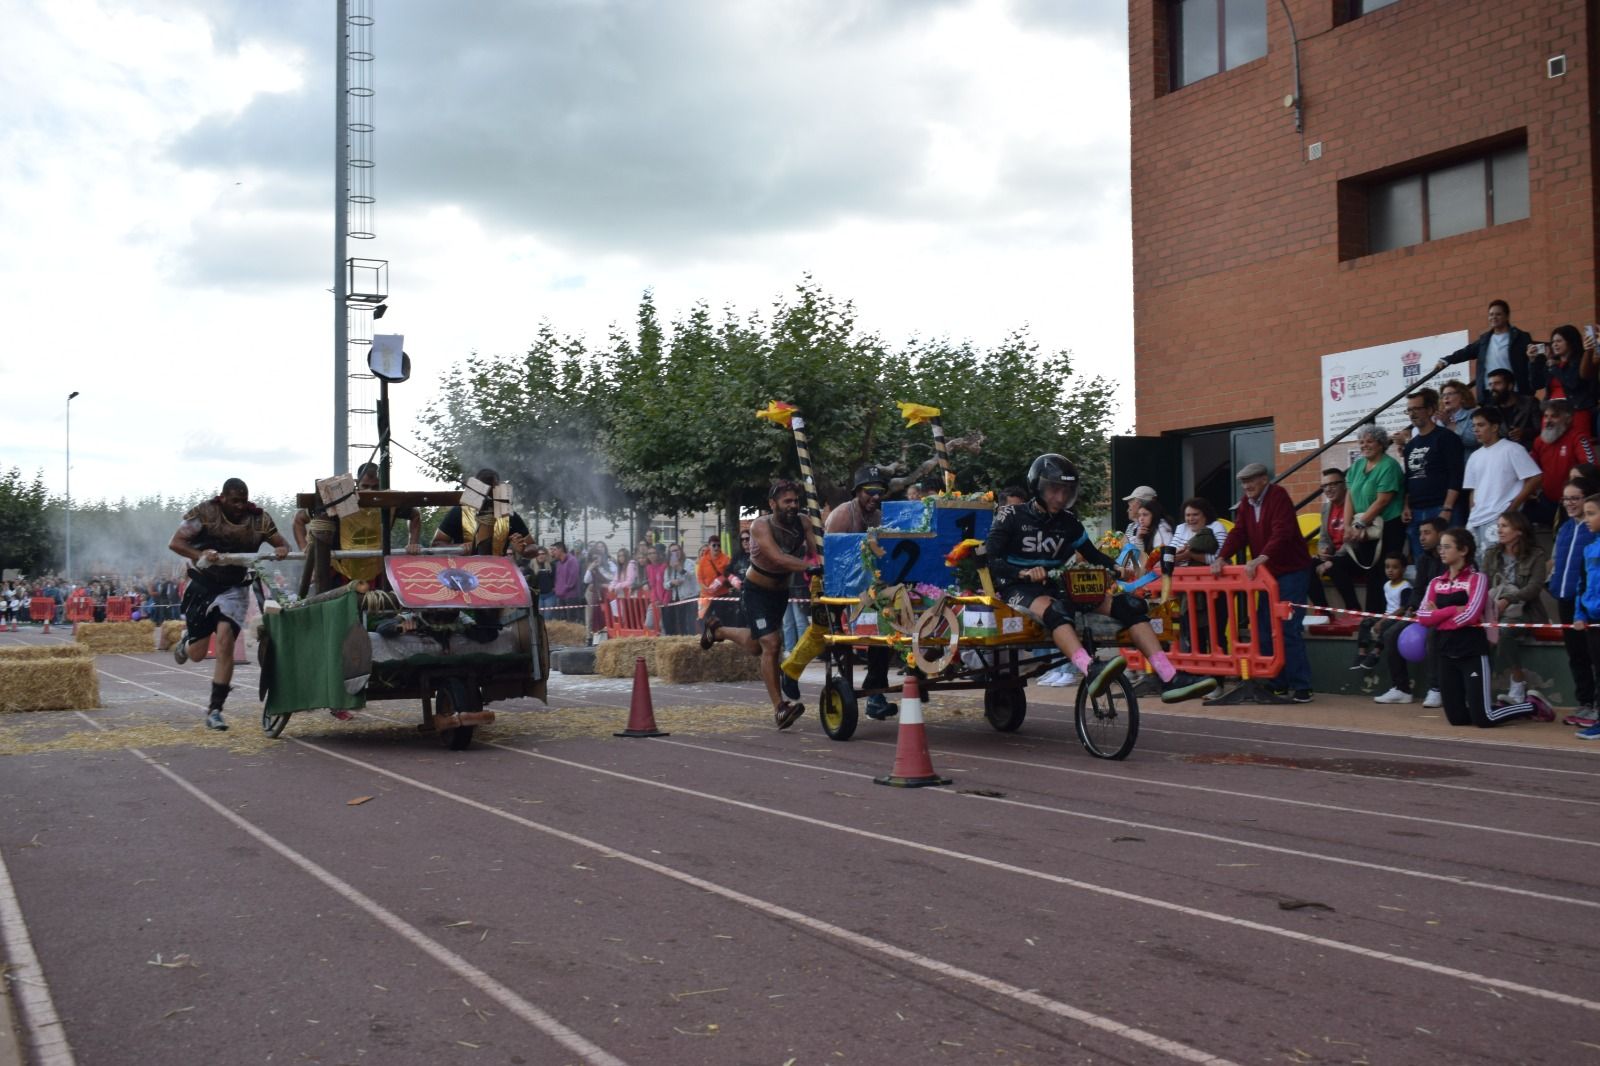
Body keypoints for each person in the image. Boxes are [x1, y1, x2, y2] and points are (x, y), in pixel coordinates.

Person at [987, 454, 1217, 703]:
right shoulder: (1010, 515)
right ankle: (1090, 669)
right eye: (1054, 490)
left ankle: (1169, 676)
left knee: (1128, 606)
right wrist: (1022, 573)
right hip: (1017, 587)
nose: (1061, 498)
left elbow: (1093, 554)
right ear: (1038, 486)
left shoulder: (1069, 522)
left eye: (1066, 491)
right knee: (1057, 611)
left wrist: (1118, 569)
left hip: (1055, 584)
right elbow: (991, 559)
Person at [168, 478, 290, 730]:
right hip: (203, 584)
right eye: (234, 501)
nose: (239, 506)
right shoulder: (204, 513)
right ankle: (187, 639)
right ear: (222, 498)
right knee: (197, 654)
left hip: (235, 587)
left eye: (243, 501)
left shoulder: (260, 519)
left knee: (225, 642)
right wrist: (199, 554)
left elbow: (282, 543)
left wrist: (281, 549)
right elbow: (176, 543)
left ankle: (215, 709)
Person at [701, 481, 817, 729]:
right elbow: (777, 557)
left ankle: (718, 631)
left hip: (781, 593)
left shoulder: (804, 522)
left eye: (796, 501)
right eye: (787, 501)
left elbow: (818, 549)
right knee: (772, 644)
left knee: (757, 647)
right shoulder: (760, 525)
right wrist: (809, 567)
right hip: (757, 592)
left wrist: (823, 559)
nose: (793, 505)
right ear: (773, 504)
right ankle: (780, 708)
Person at [1211, 462, 1315, 702]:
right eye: (1243, 482)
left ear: (1264, 479)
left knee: (1289, 628)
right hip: (1267, 575)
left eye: (1251, 481)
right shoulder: (1247, 503)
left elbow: (1283, 531)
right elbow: (1239, 532)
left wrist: (1262, 557)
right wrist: (1222, 557)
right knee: (1265, 628)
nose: (1246, 486)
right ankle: (1276, 683)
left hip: (1292, 571)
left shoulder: (1278, 496)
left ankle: (1302, 686)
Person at [1416, 527, 1536, 727]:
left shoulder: (1477, 579)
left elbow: (1471, 615)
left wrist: (1438, 616)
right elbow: (1422, 617)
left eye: (1447, 547)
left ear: (1463, 550)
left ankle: (1531, 706)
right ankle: (1497, 707)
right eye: (1440, 547)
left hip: (1472, 653)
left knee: (1484, 719)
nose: (1441, 551)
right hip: (1445, 652)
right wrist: (1453, 610)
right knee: (1457, 719)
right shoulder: (1436, 582)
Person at [825, 464, 899, 719]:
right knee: (825, 638)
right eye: (870, 491)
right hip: (841, 592)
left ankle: (875, 693)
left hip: (871, 592)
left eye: (880, 492)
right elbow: (832, 565)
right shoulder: (841, 517)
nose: (876, 497)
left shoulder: (880, 518)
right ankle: (790, 673)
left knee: (890, 626)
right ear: (857, 491)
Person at [292, 462, 422, 587]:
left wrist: (413, 542)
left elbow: (415, 515)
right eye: (365, 486)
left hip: (376, 570)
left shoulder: (388, 500)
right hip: (340, 570)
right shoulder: (340, 499)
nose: (370, 491)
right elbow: (299, 519)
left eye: (375, 487)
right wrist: (305, 549)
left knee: (381, 605)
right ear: (357, 485)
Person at [1373, 516, 1447, 706]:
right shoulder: (1423, 560)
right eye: (1420, 533)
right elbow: (1419, 589)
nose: (1421, 538)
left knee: (1432, 636)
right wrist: (1411, 608)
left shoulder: (1450, 560)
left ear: (1441, 535)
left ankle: (1436, 688)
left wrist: (1437, 611)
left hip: (1444, 613)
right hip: (1422, 613)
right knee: (1390, 634)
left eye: (1427, 533)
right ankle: (1401, 689)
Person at [1480, 510, 1548, 704]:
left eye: (1505, 526)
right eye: (1499, 526)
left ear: (1519, 531)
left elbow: (1534, 588)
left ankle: (1517, 681)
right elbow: (1483, 582)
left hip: (1526, 611)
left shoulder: (1536, 554)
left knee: (1504, 631)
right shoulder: (1492, 553)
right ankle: (1480, 687)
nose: (1499, 530)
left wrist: (1508, 599)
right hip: (1492, 610)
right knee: (1478, 636)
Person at [1550, 481, 1599, 726]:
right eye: (1565, 498)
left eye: (1575, 498)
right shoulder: (1565, 529)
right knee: (1576, 655)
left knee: (1593, 655)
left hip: (1589, 603)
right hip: (1566, 599)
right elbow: (1558, 562)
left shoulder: (1592, 530)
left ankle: (1596, 706)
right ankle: (1585, 703)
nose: (1569, 503)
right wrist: (1555, 586)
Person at [1345, 424, 1406, 613]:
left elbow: (1383, 500)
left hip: (1387, 527)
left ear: (1381, 444)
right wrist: (1348, 525)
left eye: (1369, 441)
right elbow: (1349, 495)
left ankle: (1385, 616)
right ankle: (1370, 616)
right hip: (1362, 529)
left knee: (1382, 573)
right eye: (1361, 442)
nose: (1364, 445)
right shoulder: (1357, 465)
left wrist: (1360, 524)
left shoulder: (1389, 465)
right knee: (1370, 574)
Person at [1461, 407, 1542, 547]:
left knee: (1497, 564)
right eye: (1473, 425)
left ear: (1495, 427)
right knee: (1478, 566)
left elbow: (1535, 477)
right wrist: (1472, 514)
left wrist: (1512, 508)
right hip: (1475, 520)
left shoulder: (1513, 449)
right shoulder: (1474, 456)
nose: (1476, 429)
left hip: (1499, 518)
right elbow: (1473, 490)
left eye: (1481, 425)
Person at [1400, 388, 1464, 560]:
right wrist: (1406, 505)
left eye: (1416, 409)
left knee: (1450, 559)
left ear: (1430, 410)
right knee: (1423, 564)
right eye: (1409, 410)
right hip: (1416, 511)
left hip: (1440, 508)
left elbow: (1456, 475)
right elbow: (1408, 477)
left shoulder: (1446, 438)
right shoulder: (1410, 445)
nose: (1412, 414)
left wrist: (1447, 508)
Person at [1435, 298, 1533, 401]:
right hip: (1489, 394)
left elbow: (1532, 362)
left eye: (1498, 314)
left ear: (1507, 316)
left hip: (1514, 392)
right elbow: (1465, 352)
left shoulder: (1521, 337)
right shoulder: (1484, 340)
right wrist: (1446, 360)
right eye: (1491, 314)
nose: (1494, 317)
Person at [431, 468, 532, 557]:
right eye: (484, 491)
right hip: (464, 572)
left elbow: (533, 547)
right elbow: (436, 546)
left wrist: (524, 550)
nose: (487, 497)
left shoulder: (509, 516)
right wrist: (458, 548)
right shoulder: (459, 512)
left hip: (498, 573)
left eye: (492, 492)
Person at [1529, 399, 1596, 528]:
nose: (1548, 420)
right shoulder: (1539, 441)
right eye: (1546, 416)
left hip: (1573, 503)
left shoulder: (1578, 438)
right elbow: (1531, 469)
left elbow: (1590, 468)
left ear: (1568, 419)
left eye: (1554, 416)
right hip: (1547, 501)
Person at [1532, 324, 1596, 437]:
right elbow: (1536, 384)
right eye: (1553, 342)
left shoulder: (1580, 361)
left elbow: (1573, 383)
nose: (1554, 345)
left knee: (1577, 445)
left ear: (1570, 342)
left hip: (1575, 411)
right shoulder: (1551, 363)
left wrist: (1553, 367)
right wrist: (1532, 362)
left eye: (1559, 341)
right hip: (1551, 413)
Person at [1571, 494, 1600, 738]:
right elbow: (1582, 584)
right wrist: (1580, 613)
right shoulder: (1589, 548)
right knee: (1597, 669)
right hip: (1592, 619)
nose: (1586, 519)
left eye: (1591, 514)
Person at [1352, 553, 1411, 670]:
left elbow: (1403, 608)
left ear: (1403, 569)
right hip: (1387, 615)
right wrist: (1380, 619)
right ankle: (1362, 653)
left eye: (1395, 567)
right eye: (1387, 567)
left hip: (1398, 618)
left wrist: (1382, 621)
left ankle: (1376, 653)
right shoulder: (1386, 585)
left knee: (1386, 627)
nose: (1390, 570)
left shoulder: (1406, 587)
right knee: (1366, 622)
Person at [1313, 468, 1361, 612]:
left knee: (1335, 566)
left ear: (1344, 484)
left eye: (1333, 484)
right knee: (1306, 565)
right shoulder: (1326, 508)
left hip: (1354, 555)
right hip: (1334, 557)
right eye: (1325, 486)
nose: (1328, 489)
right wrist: (1323, 549)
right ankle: (1323, 610)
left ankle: (1354, 609)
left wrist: (1331, 560)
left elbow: (1354, 540)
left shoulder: (1354, 503)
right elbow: (1323, 537)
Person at [1485, 367, 1540, 450]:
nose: (1492, 388)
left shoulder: (1530, 402)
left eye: (1497, 383)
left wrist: (1524, 433)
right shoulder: (1490, 408)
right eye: (1490, 384)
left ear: (1510, 386)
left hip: (1528, 452)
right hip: (1502, 454)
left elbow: (1540, 429)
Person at [696, 534, 735, 625]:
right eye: (714, 545)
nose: (716, 547)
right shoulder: (703, 560)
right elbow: (699, 577)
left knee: (722, 619)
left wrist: (723, 579)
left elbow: (731, 574)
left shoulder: (726, 559)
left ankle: (723, 636)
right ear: (709, 546)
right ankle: (707, 636)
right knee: (705, 620)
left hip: (721, 595)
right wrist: (705, 587)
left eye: (719, 545)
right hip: (706, 596)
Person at [1439, 380, 1480, 455]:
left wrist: (1449, 424)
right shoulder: (1440, 420)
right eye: (1443, 395)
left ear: (1462, 397)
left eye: (1450, 394)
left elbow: (1473, 439)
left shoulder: (1473, 414)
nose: (1446, 397)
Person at [550, 542, 582, 614]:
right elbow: (557, 579)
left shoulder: (572, 561)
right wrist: (557, 589)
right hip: (560, 596)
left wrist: (562, 590)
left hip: (570, 596)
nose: (552, 552)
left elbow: (572, 581)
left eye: (554, 550)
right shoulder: (558, 563)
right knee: (563, 621)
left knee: (571, 622)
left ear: (560, 549)